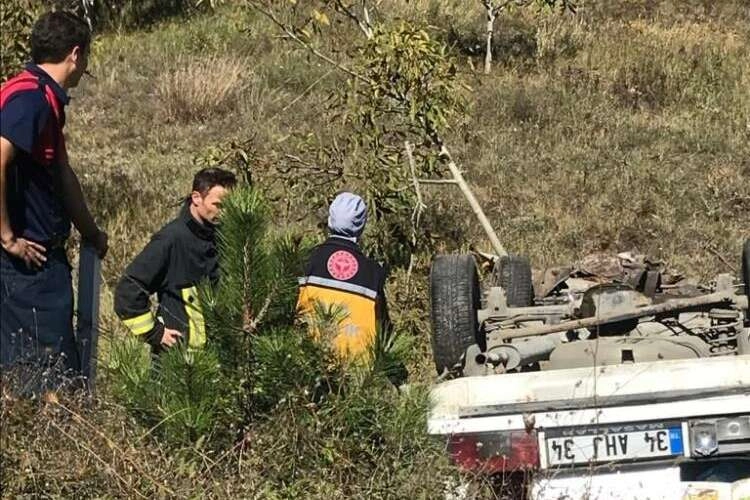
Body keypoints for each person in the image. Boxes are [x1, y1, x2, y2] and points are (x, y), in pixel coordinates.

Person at [0, 12, 108, 375]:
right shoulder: (30, 98)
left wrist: (91, 232)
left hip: (38, 265)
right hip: (28, 267)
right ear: (75, 54)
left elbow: (62, 175)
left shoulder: (40, 96)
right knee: (46, 376)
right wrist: (7, 237)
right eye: (86, 56)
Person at [114, 168, 236, 353]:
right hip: (175, 361)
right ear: (196, 198)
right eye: (218, 205)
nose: (225, 212)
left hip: (218, 360)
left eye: (230, 205)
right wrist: (155, 333)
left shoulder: (227, 238)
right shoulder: (170, 239)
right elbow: (128, 291)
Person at [297, 192, 390, 360]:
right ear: (362, 226)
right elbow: (384, 330)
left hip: (307, 362)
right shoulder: (374, 273)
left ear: (330, 221)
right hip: (357, 369)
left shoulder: (305, 260)